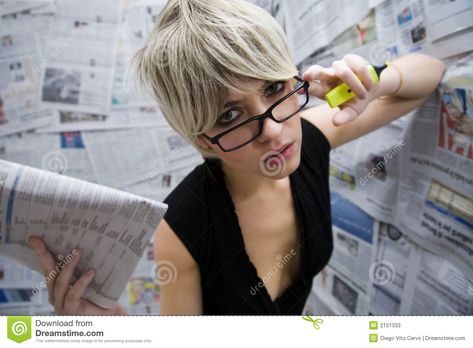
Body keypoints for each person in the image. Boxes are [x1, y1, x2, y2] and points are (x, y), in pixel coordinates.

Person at [28, 0, 445, 315]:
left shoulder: (311, 136)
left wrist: (373, 79)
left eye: (273, 88)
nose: (274, 131)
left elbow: (429, 73)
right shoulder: (183, 224)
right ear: (203, 141)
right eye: (230, 115)